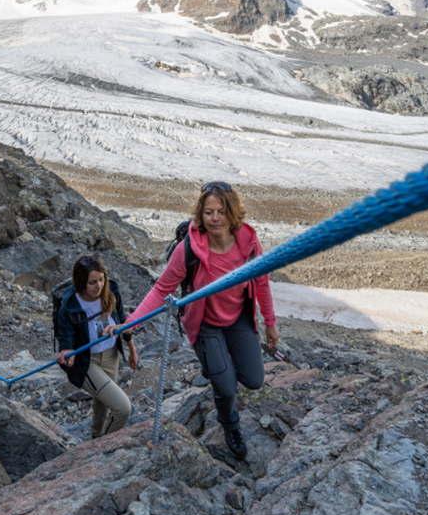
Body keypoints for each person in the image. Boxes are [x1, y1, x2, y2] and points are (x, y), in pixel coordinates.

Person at [113, 182, 277, 460]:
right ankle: (230, 423)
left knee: (254, 380)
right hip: (205, 324)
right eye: (208, 212)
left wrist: (270, 323)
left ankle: (218, 364)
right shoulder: (189, 249)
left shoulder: (248, 244)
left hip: (238, 318)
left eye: (221, 212)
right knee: (226, 388)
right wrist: (132, 323)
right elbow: (161, 290)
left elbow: (262, 283)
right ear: (200, 215)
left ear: (233, 213)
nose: (215, 218)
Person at [55, 254, 139, 438]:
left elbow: (123, 321)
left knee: (103, 405)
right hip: (86, 361)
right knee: (123, 408)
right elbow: (66, 339)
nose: (98, 286)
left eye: (101, 279)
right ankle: (101, 448)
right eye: (92, 282)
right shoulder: (69, 307)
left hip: (111, 355)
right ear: (81, 282)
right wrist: (67, 353)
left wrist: (132, 351)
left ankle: (95, 437)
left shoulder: (112, 291)